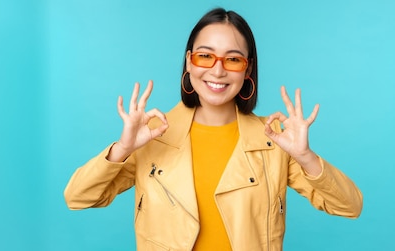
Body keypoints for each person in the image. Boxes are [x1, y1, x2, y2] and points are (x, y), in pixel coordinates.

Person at [63, 7, 363, 251]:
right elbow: (77, 198)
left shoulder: (273, 143)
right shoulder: (151, 136)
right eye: (205, 55)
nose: (217, 70)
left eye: (233, 59)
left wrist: (306, 156)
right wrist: (123, 149)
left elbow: (350, 207)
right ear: (189, 62)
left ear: (247, 70)